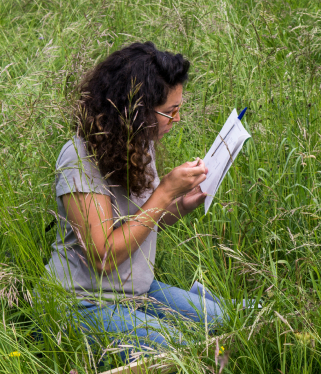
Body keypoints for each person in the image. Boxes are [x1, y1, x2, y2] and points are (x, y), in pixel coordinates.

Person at [45, 42, 229, 353]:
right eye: (170, 111)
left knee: (226, 320)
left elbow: (141, 219)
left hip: (138, 291)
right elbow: (103, 256)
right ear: (137, 111)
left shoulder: (138, 142)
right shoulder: (79, 158)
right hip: (82, 302)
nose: (177, 119)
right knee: (179, 351)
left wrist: (181, 204)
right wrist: (165, 191)